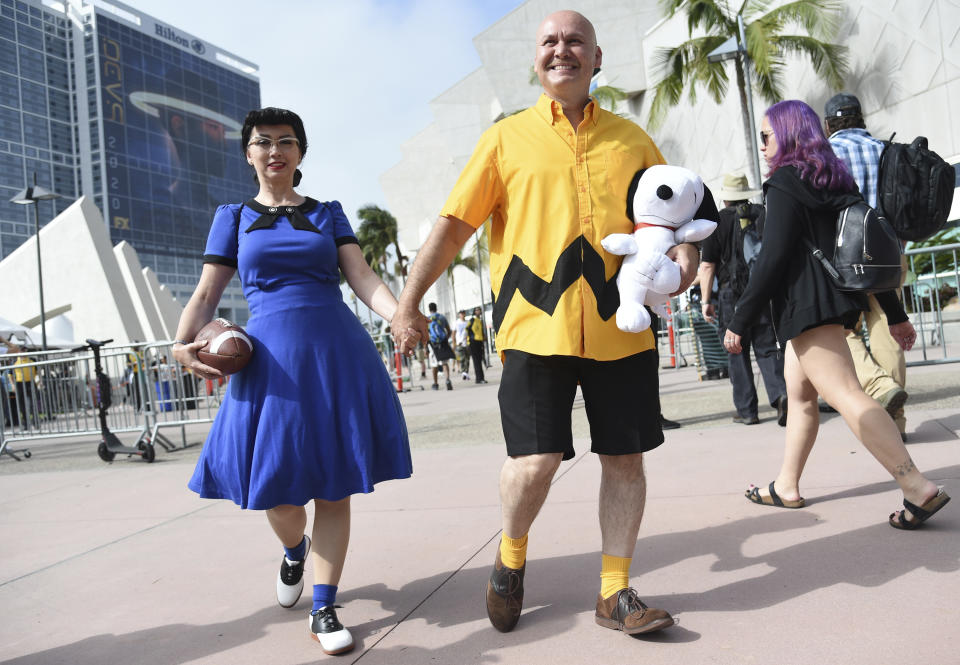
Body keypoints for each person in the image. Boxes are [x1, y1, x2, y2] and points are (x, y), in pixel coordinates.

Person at [391, 10, 711, 635]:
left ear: (597, 58)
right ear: (535, 60)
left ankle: (614, 591)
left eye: (575, 41)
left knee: (624, 458)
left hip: (622, 325)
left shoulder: (632, 139)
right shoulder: (505, 140)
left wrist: (687, 254)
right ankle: (510, 558)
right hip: (535, 326)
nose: (561, 50)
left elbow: (673, 216)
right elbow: (455, 226)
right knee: (534, 462)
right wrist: (408, 302)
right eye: (549, 42)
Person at [172, 107, 415, 656]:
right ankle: (293, 550)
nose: (275, 150)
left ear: (300, 152)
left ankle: (324, 606)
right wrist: (180, 342)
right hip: (269, 362)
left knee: (334, 485)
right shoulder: (232, 217)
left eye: (287, 141)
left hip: (336, 352)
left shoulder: (329, 213)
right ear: (249, 153)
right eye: (264, 142)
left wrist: (397, 314)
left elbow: (361, 277)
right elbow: (208, 293)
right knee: (277, 490)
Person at [725, 100, 948, 529]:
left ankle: (916, 486)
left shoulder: (787, 183)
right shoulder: (834, 180)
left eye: (767, 135)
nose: (763, 144)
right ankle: (786, 485)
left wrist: (739, 320)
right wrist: (895, 314)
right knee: (802, 395)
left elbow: (772, 260)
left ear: (788, 135)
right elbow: (868, 251)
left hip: (807, 306)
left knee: (847, 394)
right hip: (836, 300)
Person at [824, 93, 911, 439]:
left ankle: (878, 387)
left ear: (828, 124)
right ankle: (896, 423)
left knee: (842, 331)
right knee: (890, 325)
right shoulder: (886, 151)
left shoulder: (827, 155)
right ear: (862, 118)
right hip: (891, 253)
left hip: (847, 256)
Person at [700, 172, 787, 426]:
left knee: (735, 350)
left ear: (726, 198)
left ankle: (747, 410)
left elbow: (707, 266)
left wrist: (707, 301)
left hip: (730, 295)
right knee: (768, 347)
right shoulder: (762, 213)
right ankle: (780, 395)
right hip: (760, 291)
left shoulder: (717, 221)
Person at [426, 302, 455, 390]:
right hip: (443, 342)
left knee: (434, 364)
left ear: (429, 309)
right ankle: (447, 380)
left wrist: (425, 348)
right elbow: (449, 330)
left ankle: (435, 384)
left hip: (433, 344)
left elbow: (426, 335)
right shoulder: (442, 317)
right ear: (436, 308)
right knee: (444, 362)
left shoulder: (427, 319)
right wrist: (446, 338)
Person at [467, 306, 487, 384]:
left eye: (480, 310)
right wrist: (469, 341)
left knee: (480, 360)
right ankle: (479, 378)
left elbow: (481, 332)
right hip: (473, 342)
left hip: (479, 342)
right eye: (477, 310)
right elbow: (467, 330)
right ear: (474, 312)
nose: (479, 311)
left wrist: (483, 337)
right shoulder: (472, 320)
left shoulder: (480, 321)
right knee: (477, 361)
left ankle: (481, 378)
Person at [454, 310, 471, 380]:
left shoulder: (468, 322)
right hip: (459, 343)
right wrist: (454, 343)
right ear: (459, 315)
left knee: (467, 359)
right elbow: (453, 333)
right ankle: (463, 372)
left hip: (467, 343)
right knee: (462, 359)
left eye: (463, 313)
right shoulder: (456, 323)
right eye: (461, 314)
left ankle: (465, 373)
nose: (462, 315)